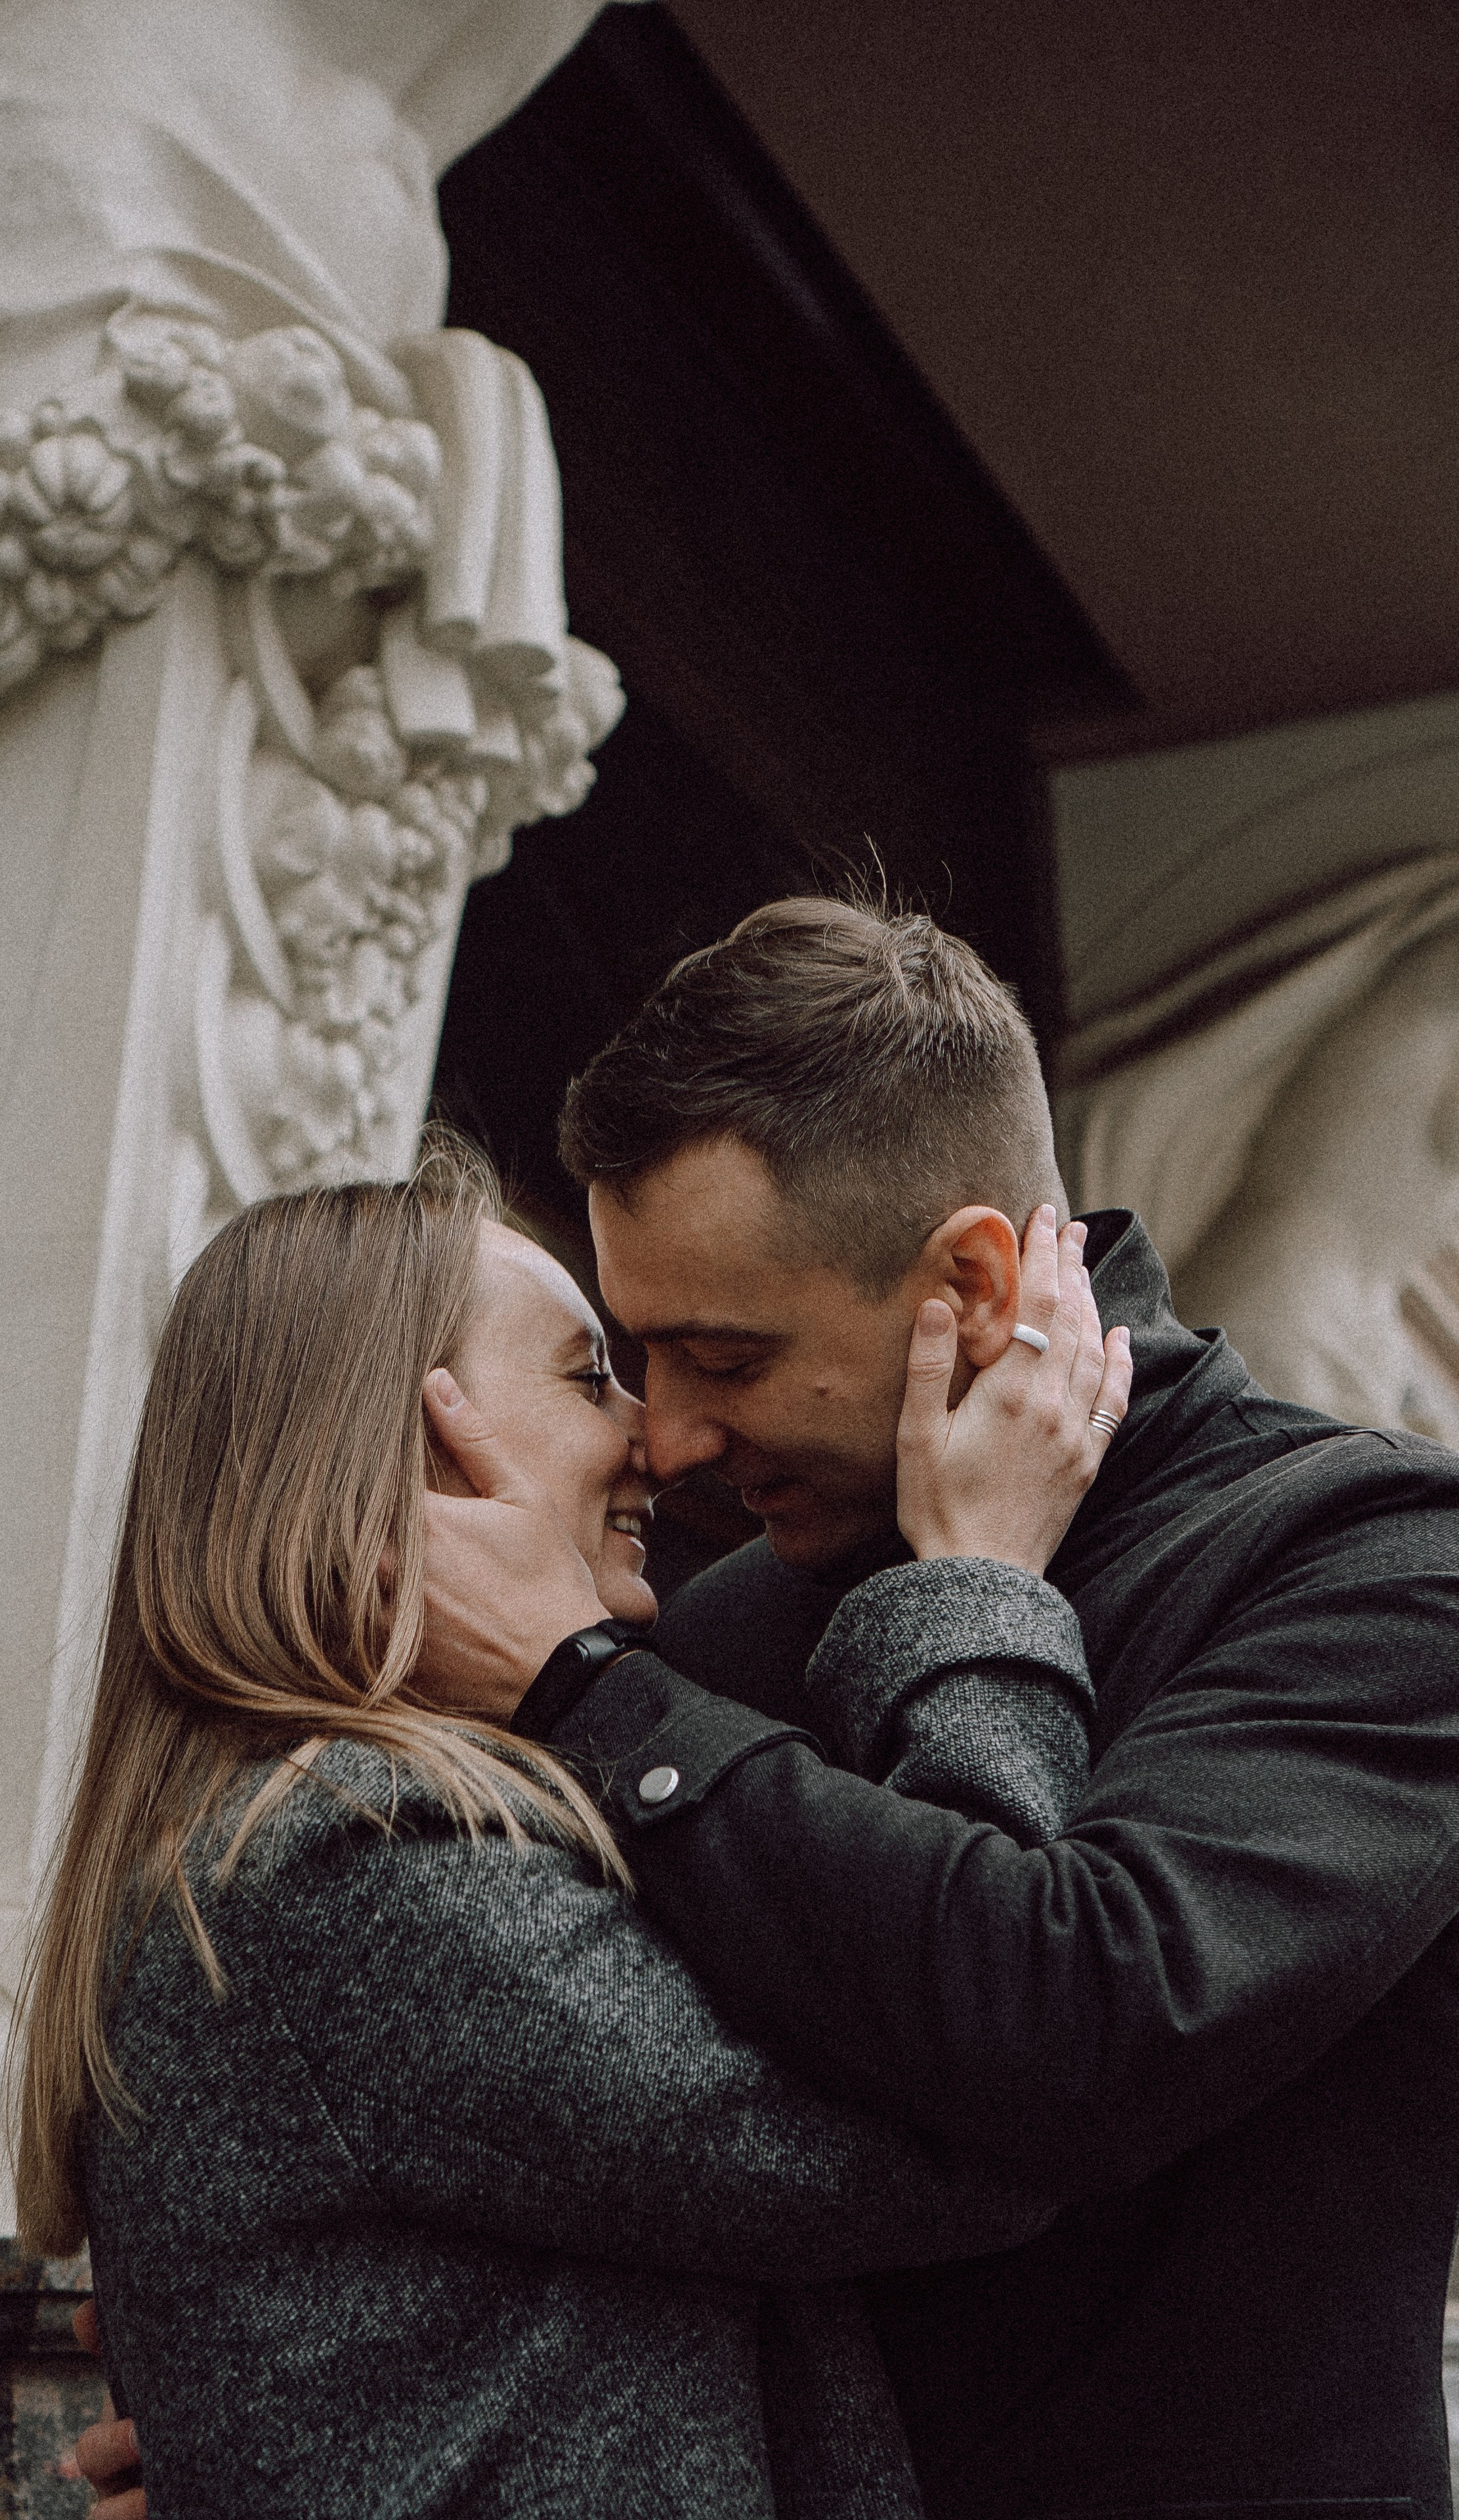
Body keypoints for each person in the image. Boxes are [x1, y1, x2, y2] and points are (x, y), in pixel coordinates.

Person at [404, 896, 1459, 2520]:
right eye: (633, 1356)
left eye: (722, 1356)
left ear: (969, 1279)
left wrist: (586, 1700)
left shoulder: (1372, 1559)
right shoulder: (712, 1627)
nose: (666, 1438)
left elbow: (1080, 2030)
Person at [26, 1134, 1130, 2519]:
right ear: (408, 1450)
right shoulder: (355, 1866)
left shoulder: (309, 1841)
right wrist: (974, 1582)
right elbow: (973, 2109)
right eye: (586, 1373)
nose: (652, 1439)